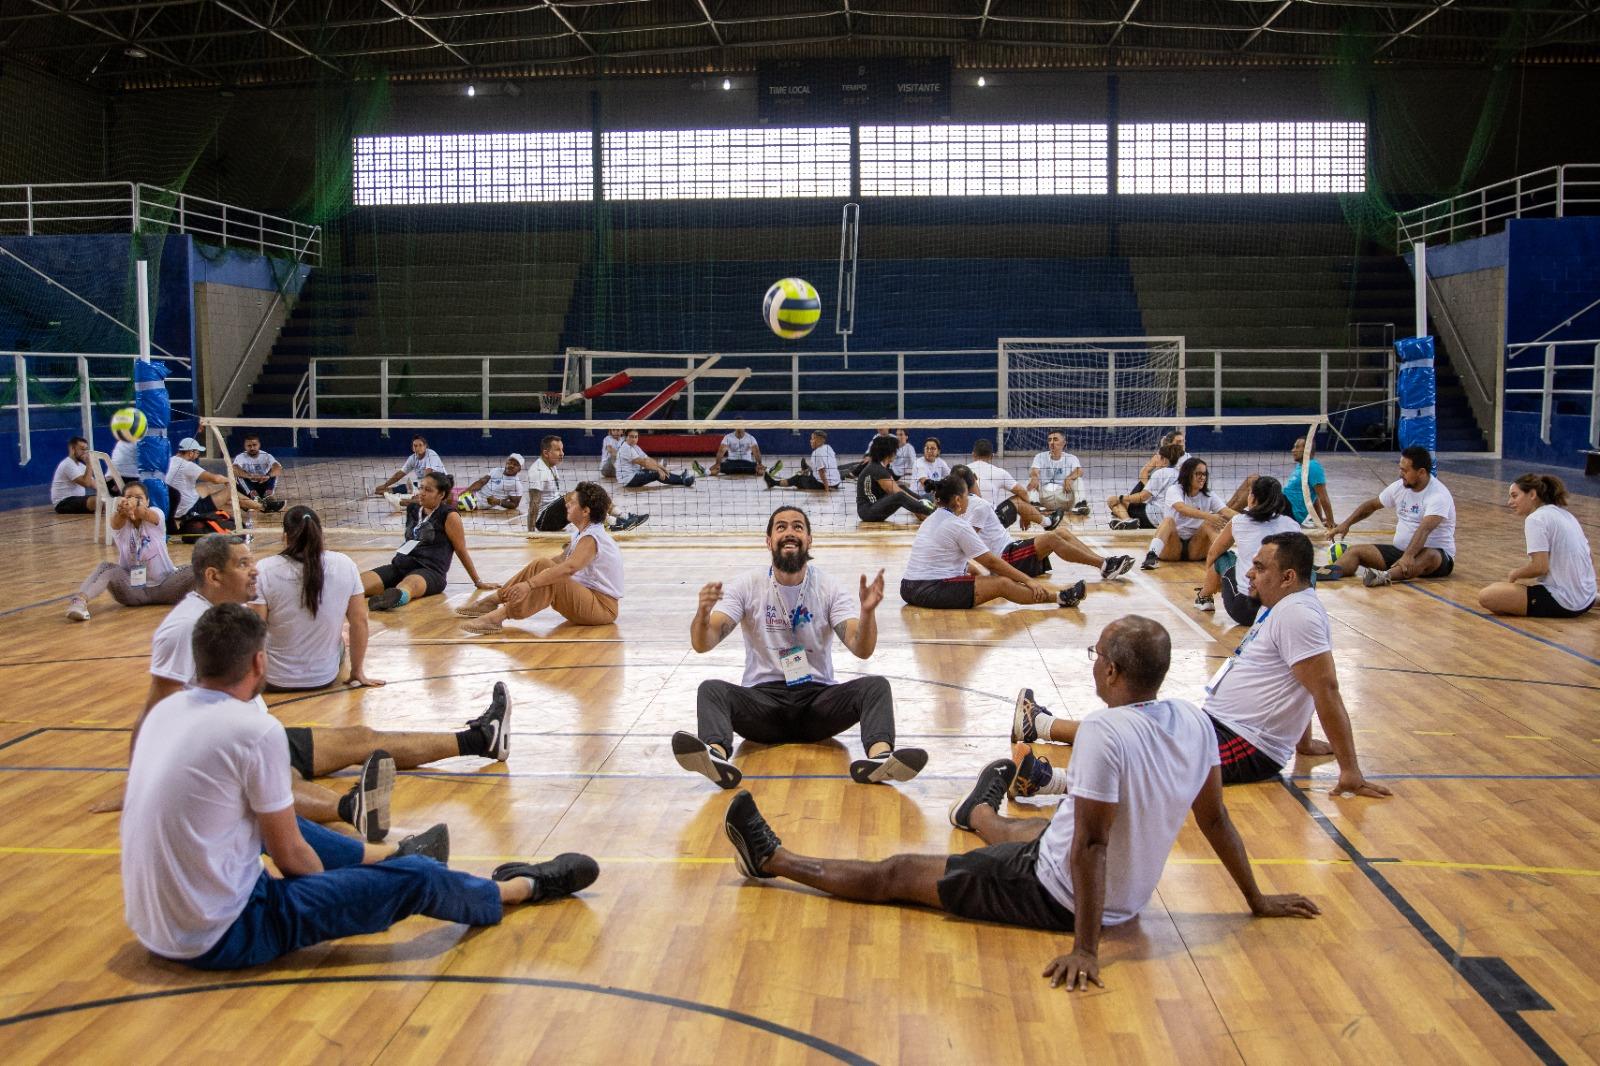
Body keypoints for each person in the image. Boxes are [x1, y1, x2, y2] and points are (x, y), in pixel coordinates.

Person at [723, 615, 1319, 993]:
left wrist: (1085, 949)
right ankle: (977, 814)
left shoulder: (1103, 734)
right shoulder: (1192, 719)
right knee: (1032, 834)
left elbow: (1091, 847)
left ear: (1110, 671)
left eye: (1095, 654)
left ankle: (771, 860)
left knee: (901, 872)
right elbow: (1216, 821)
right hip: (1118, 892)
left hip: (1054, 894)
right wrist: (1257, 899)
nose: (1092, 661)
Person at [120, 602, 598, 971]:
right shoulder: (253, 730)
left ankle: (392, 854)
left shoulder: (164, 714)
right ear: (260, 663)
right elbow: (292, 860)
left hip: (152, 929)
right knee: (418, 881)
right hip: (224, 934)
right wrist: (359, 893)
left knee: (283, 821)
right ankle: (519, 888)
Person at [89, 534, 516, 839]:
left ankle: (480, 739)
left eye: (252, 560)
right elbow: (154, 711)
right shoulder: (183, 628)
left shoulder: (222, 614)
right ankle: (358, 818)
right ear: (213, 576)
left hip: (259, 732)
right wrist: (139, 781)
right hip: (223, 750)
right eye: (242, 564)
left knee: (361, 738)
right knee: (279, 787)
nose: (254, 570)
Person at [1013, 536, 1391, 802]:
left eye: (1259, 567)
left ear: (1289, 576)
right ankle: (1041, 726)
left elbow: (1325, 690)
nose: (1249, 574)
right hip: (1221, 723)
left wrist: (1350, 771)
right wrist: (1303, 742)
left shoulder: (1300, 615)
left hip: (1247, 743)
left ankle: (1051, 782)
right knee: (1136, 723)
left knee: (1156, 764)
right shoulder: (1278, 604)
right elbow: (1297, 679)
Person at [672, 505, 927, 789]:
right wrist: (703, 613)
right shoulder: (747, 585)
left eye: (797, 527)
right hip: (763, 704)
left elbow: (861, 649)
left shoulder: (829, 587)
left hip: (816, 703)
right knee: (711, 689)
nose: (789, 532)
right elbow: (703, 643)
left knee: (876, 686)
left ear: (809, 539)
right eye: (781, 527)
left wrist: (867, 614)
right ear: (768, 541)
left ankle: (881, 759)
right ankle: (715, 756)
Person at [458, 482, 624, 634]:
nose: (566, 504)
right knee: (543, 564)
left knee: (554, 577)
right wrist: (534, 575)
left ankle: (498, 617)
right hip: (588, 598)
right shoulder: (583, 532)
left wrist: (529, 585)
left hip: (602, 608)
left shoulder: (592, 538)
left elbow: (568, 568)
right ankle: (495, 599)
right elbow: (560, 561)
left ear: (585, 511)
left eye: (572, 502)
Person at [900, 475, 1082, 609]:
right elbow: (992, 562)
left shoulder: (931, 520)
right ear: (957, 500)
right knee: (1001, 584)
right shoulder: (958, 525)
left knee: (974, 572)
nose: (969, 500)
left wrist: (979, 580)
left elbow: (962, 564)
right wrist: (1029, 581)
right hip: (929, 589)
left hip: (908, 587)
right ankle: (1059, 597)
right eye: (966, 496)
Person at [252, 506, 382, 690]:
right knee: (340, 640)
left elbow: (254, 629)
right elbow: (359, 621)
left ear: (285, 536)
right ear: (320, 534)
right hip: (323, 677)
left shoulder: (264, 569)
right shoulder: (344, 564)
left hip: (273, 679)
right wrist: (357, 671)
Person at [952, 464, 1133, 585]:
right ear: (975, 478)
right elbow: (969, 540)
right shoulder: (977, 505)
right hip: (1007, 558)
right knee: (1053, 538)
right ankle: (1104, 564)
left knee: (1061, 532)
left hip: (1010, 551)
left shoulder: (965, 504)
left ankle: (1104, 565)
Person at [1319, 446, 1455, 587]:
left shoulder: (1438, 496)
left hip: (1436, 559)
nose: (1400, 474)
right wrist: (1346, 524)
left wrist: (1408, 556)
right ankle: (1328, 572)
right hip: (1401, 552)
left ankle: (1384, 576)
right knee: (1355, 551)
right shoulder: (1400, 487)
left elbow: (1424, 529)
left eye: (1405, 470)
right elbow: (1371, 506)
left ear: (1421, 472)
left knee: (1430, 555)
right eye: (1400, 468)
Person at [361, 471, 498, 611]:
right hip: (401, 566)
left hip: (430, 571)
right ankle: (383, 593)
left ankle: (394, 598)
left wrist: (478, 581)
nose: (422, 493)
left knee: (409, 584)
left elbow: (461, 550)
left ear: (441, 494)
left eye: (428, 490)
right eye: (421, 488)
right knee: (359, 583)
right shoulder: (413, 508)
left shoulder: (449, 515)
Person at [66, 481, 195, 621]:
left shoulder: (157, 513)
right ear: (122, 501)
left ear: (148, 501)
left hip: (166, 586)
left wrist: (134, 504)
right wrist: (123, 511)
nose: (133, 501)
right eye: (128, 497)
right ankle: (79, 602)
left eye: (139, 498)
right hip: (133, 590)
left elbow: (144, 513)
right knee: (105, 567)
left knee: (201, 566)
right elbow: (116, 522)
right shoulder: (119, 520)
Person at [1478, 474, 1596, 618]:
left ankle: (1572, 599)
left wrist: (1515, 574)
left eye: (1514, 496)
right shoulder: (1566, 515)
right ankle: (1590, 598)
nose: (1509, 502)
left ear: (1532, 494)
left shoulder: (1536, 519)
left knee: (1488, 596)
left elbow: (1540, 567)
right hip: (1588, 596)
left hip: (1565, 602)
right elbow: (1590, 557)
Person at [1195, 476, 1301, 622]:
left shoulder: (1239, 522)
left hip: (1244, 610)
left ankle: (1204, 597)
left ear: (1253, 499)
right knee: (1307, 570)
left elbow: (1214, 552)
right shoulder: (1292, 525)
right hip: (1281, 611)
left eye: (1250, 493)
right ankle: (1302, 607)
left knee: (1223, 557)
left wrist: (1214, 579)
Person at [527, 435, 646, 535]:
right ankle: (613, 522)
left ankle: (624, 517)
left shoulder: (551, 466)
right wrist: (531, 533)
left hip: (555, 513)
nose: (562, 453)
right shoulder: (537, 471)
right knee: (576, 495)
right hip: (544, 521)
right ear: (546, 453)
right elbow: (534, 503)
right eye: (558, 450)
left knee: (590, 489)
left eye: (562, 449)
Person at [1141, 457, 1235, 570]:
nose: (1202, 477)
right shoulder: (1174, 490)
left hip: (1196, 548)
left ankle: (1226, 558)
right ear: (1187, 474)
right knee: (1168, 521)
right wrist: (1209, 516)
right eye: (1198, 474)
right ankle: (1151, 556)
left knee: (1210, 524)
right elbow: (1182, 508)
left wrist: (1250, 518)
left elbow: (1227, 511)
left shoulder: (1209, 495)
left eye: (1204, 474)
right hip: (1172, 548)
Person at [167, 436, 267, 526]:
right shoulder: (188, 466)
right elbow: (215, 479)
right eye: (197, 452)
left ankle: (243, 502)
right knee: (230, 491)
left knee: (206, 486)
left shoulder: (170, 460)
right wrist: (230, 481)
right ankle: (262, 506)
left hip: (173, 509)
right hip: (189, 510)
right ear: (190, 453)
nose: (198, 455)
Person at [1108, 433, 1187, 530]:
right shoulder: (1180, 474)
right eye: (1178, 442)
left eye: (1183, 441)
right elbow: (1144, 473)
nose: (1182, 444)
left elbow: (1142, 497)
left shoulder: (1160, 473)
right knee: (1123, 503)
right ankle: (1123, 519)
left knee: (1114, 502)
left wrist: (1120, 498)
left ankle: (1127, 520)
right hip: (1173, 518)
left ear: (1164, 460)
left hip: (1154, 518)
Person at [856, 434, 935, 523]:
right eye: (894, 450)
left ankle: (926, 504)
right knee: (900, 495)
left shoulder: (880, 466)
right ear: (888, 453)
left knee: (902, 487)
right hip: (868, 512)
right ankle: (932, 512)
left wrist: (919, 505)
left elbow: (899, 489)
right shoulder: (877, 469)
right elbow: (896, 492)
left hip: (874, 507)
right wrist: (921, 507)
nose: (896, 453)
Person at [968, 439, 1044, 529]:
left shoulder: (962, 471)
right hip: (991, 524)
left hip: (966, 523)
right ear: (992, 456)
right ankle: (1047, 522)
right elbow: (1023, 492)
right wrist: (1025, 515)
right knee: (1018, 500)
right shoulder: (999, 472)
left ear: (973, 455)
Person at [1029, 431, 1088, 523]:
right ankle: (1034, 504)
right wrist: (1034, 477)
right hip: (1045, 497)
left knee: (1077, 479)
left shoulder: (1071, 458)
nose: (1052, 442)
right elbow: (1034, 470)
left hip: (1064, 497)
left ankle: (1081, 504)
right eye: (1049, 440)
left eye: (1055, 439)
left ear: (1064, 443)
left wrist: (1069, 478)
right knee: (1033, 478)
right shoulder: (1040, 456)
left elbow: (1079, 471)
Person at [616, 428, 696, 488]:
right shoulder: (626, 448)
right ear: (626, 437)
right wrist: (658, 469)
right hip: (627, 480)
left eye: (636, 437)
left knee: (657, 469)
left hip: (634, 474)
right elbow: (644, 463)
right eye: (631, 437)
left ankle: (681, 477)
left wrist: (661, 467)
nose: (634, 439)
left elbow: (648, 459)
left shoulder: (635, 447)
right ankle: (683, 480)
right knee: (656, 473)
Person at [1284, 436, 1335, 530]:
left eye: (1297, 447)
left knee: (1253, 481)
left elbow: (1323, 496)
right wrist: (1318, 518)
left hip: (1289, 511)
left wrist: (1330, 522)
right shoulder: (1300, 466)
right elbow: (1313, 495)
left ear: (1308, 449)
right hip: (1282, 506)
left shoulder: (1312, 466)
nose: (1293, 450)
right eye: (1294, 447)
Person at [372, 435, 447, 498]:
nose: (418, 448)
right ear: (412, 448)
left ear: (425, 446)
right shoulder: (412, 458)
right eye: (415, 446)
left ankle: (407, 497)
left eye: (420, 445)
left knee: (416, 493)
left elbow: (428, 473)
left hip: (440, 483)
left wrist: (421, 490)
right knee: (400, 488)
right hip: (423, 484)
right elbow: (400, 474)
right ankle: (379, 491)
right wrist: (385, 485)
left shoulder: (431, 454)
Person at [765, 430, 840, 492]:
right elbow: (829, 466)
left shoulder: (817, 453)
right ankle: (807, 470)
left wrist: (826, 489)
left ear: (820, 440)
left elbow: (822, 472)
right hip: (836, 482)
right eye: (811, 438)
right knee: (809, 473)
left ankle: (773, 483)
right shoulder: (828, 447)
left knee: (798, 478)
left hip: (823, 484)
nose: (810, 441)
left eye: (813, 439)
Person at [230, 434, 286, 511]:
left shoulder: (266, 456)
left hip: (263, 483)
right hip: (249, 487)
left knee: (273, 472)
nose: (252, 448)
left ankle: (268, 497)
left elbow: (278, 468)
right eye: (249, 446)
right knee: (238, 475)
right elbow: (234, 469)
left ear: (259, 445)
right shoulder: (241, 457)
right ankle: (255, 497)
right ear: (245, 446)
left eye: (254, 445)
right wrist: (250, 476)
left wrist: (267, 476)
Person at [51, 436, 100, 514]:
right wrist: (89, 463)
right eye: (82, 449)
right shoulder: (67, 464)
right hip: (63, 502)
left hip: (77, 500)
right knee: (99, 502)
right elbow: (86, 483)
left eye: (86, 449)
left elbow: (94, 484)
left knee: (105, 499)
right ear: (72, 449)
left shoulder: (81, 466)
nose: (85, 452)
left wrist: (110, 493)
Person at [703, 426, 769, 476]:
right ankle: (769, 471)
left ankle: (706, 472)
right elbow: (756, 452)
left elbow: (721, 451)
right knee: (758, 470)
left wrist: (717, 464)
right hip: (739, 464)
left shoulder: (749, 438)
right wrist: (759, 464)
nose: (739, 428)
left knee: (718, 468)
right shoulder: (729, 437)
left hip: (739, 464)